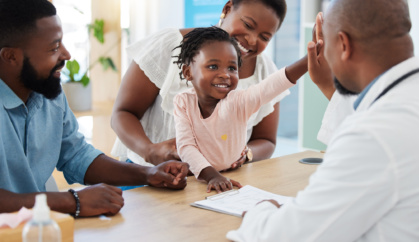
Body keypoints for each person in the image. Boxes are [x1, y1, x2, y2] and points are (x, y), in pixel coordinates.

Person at [227, 0, 419, 241]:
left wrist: (262, 210)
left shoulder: (374, 135)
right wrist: (331, 87)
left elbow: (286, 236)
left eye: (328, 44)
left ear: (343, 45)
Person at [0, 0, 188, 217]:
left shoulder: (49, 94)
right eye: (53, 48)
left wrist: (149, 174)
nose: (66, 54)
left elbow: (77, 156)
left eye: (62, 43)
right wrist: (72, 201)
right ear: (10, 56)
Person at [111, 0, 310, 168]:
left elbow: (266, 140)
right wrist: (150, 151)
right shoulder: (171, 46)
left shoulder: (265, 70)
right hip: (147, 175)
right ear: (227, 8)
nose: (251, 40)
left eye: (264, 37)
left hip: (217, 185)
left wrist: (245, 154)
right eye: (248, 25)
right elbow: (123, 113)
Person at [173, 27, 305, 193]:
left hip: (238, 177)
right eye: (213, 66)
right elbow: (185, 147)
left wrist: (308, 60)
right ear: (188, 72)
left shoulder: (238, 101)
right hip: (199, 180)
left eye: (232, 68)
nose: (225, 75)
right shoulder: (183, 102)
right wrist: (212, 176)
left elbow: (272, 85)